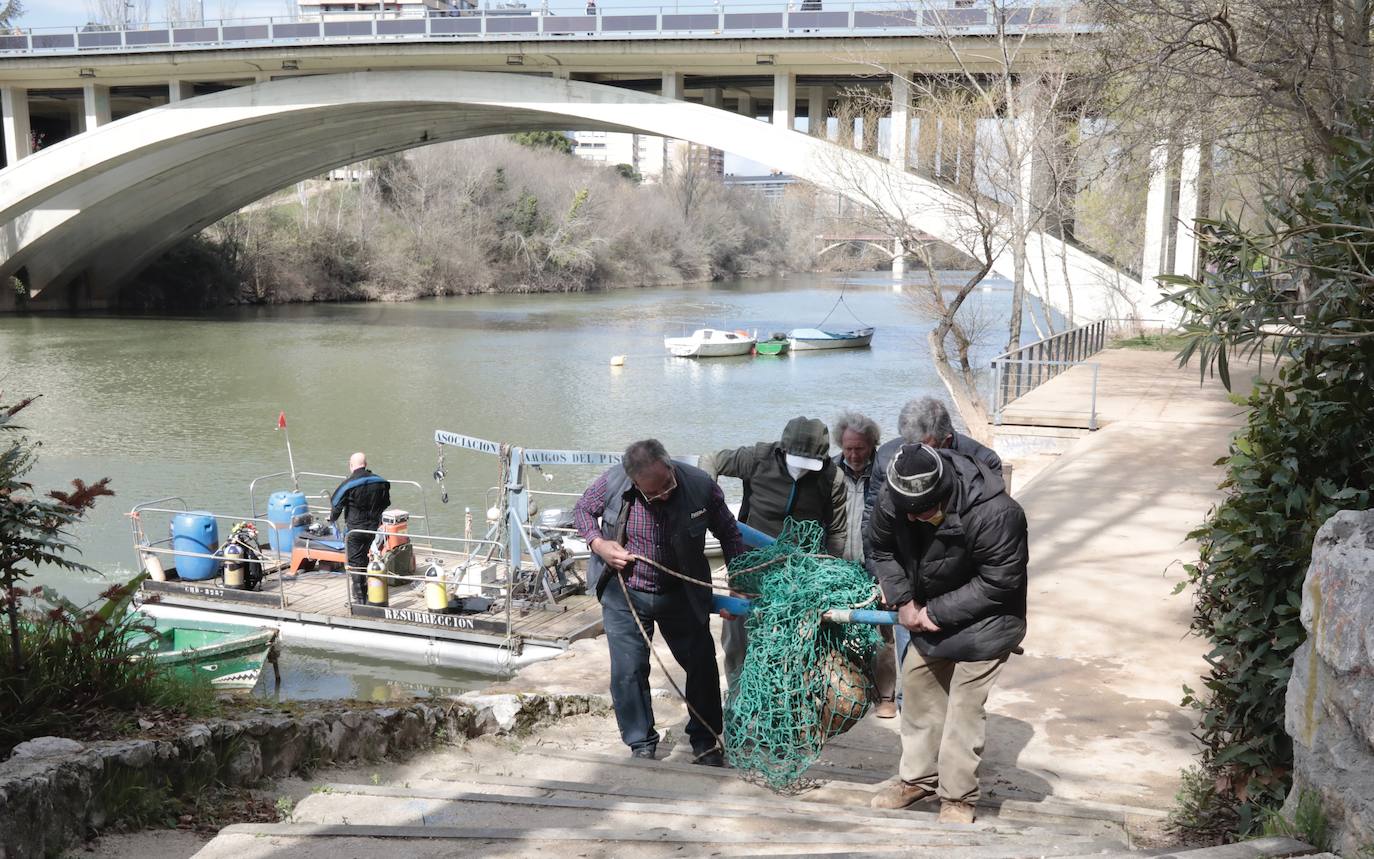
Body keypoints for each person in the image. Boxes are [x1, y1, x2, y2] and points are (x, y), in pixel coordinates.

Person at [866, 443, 1028, 823]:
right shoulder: (895, 501)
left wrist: (934, 613)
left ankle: (957, 798)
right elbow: (880, 549)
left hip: (988, 618)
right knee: (918, 690)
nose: (919, 517)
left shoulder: (997, 513)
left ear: (943, 490)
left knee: (963, 710)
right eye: (912, 512)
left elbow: (1000, 581)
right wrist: (904, 601)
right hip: (925, 608)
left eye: (925, 510)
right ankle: (918, 779)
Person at [574, 439, 746, 765]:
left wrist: (738, 582)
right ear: (634, 482)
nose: (663, 495)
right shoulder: (612, 483)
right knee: (628, 670)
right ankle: (641, 743)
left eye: (667, 485)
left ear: (669, 466)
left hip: (681, 592)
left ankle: (705, 742)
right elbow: (582, 511)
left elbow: (729, 532)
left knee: (702, 665)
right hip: (624, 592)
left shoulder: (699, 485)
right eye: (653, 493)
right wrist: (598, 544)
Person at [863, 396, 1004, 692]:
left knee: (962, 687)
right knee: (914, 679)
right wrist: (888, 584)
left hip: (963, 587)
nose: (918, 456)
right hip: (910, 587)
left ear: (946, 439)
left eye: (927, 447)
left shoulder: (984, 462)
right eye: (910, 444)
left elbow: (993, 534)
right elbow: (874, 530)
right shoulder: (889, 457)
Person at [702, 416, 847, 685]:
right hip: (750, 564)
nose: (802, 470)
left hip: (799, 571)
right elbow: (711, 459)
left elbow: (837, 531)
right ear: (783, 450)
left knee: (792, 642)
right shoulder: (757, 458)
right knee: (739, 637)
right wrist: (708, 500)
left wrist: (830, 570)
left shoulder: (832, 478)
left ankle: (786, 697)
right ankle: (738, 693)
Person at [832, 410, 897, 719]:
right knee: (835, 630)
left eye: (860, 447)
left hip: (877, 566)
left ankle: (886, 696)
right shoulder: (829, 472)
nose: (853, 454)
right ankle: (845, 692)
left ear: (873, 444)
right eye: (848, 448)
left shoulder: (885, 473)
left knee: (884, 633)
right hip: (838, 568)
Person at [329, 452, 391, 603]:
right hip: (372, 529)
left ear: (351, 466)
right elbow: (386, 503)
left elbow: (335, 503)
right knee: (364, 557)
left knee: (355, 563)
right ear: (366, 464)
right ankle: (370, 590)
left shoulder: (348, 484)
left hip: (355, 530)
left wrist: (332, 519)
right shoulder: (381, 482)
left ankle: (360, 599)